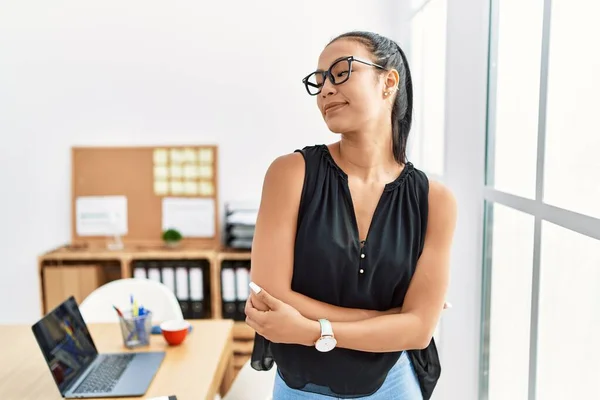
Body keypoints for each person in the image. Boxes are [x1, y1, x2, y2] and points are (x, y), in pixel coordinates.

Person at [244, 31, 457, 400]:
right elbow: (270, 295)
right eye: (320, 79)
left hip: (393, 384)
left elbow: (419, 332)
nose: (326, 88)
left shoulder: (434, 200)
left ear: (388, 81)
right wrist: (391, 319)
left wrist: (312, 330)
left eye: (341, 71)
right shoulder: (290, 173)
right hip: (301, 389)